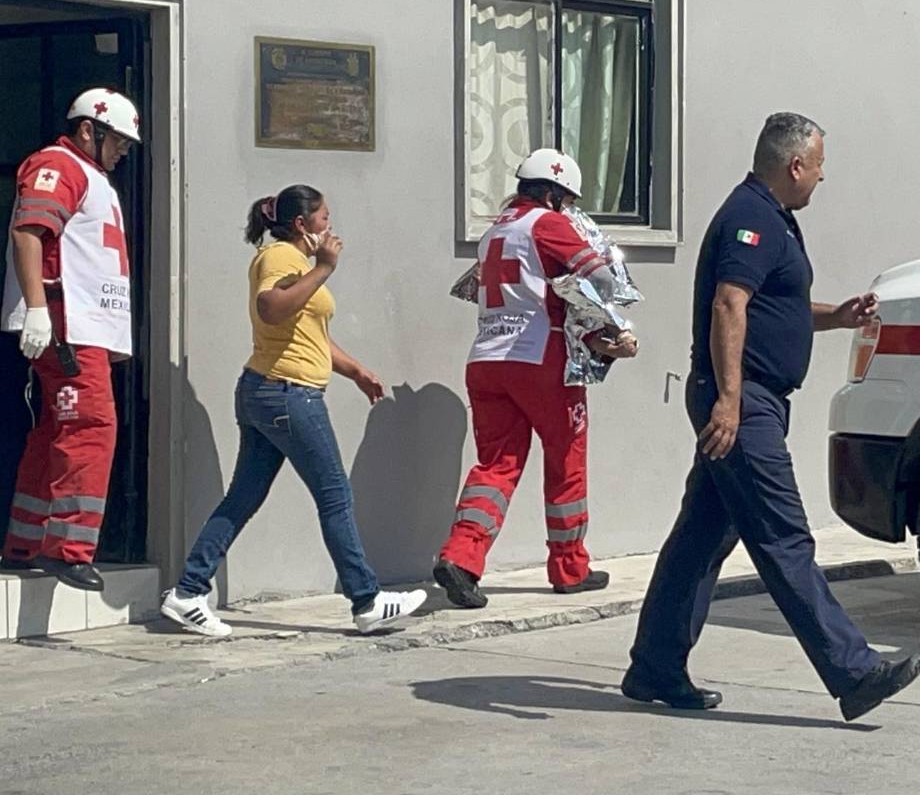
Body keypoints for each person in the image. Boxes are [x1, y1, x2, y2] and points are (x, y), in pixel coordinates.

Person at [622, 113, 920, 722]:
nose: (819, 178)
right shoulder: (751, 217)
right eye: (817, 167)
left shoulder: (771, 218)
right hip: (743, 404)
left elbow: (768, 305)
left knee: (701, 537)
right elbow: (729, 304)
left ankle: (654, 666)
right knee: (784, 538)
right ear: (794, 165)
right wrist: (730, 401)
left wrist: (836, 317)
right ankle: (854, 671)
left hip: (749, 400)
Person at [159, 185, 426, 637]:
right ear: (302, 225)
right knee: (335, 494)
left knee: (244, 496)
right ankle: (366, 600)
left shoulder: (295, 263)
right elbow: (271, 309)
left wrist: (355, 370)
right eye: (324, 218)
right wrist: (324, 268)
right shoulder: (282, 257)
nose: (331, 226)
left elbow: (309, 335)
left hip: (269, 390)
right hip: (288, 394)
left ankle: (188, 591)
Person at [434, 149, 638, 609]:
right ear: (551, 192)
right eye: (565, 199)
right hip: (540, 360)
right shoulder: (549, 225)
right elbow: (600, 281)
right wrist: (608, 330)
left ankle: (461, 558)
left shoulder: (495, 232)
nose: (567, 209)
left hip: (486, 359)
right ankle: (570, 568)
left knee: (496, 466)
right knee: (567, 459)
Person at [0, 88, 142, 591]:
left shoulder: (89, 175)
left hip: (81, 327)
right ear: (89, 130)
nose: (123, 151)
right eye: (118, 141)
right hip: (68, 326)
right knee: (90, 427)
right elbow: (28, 232)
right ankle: (68, 548)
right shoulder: (60, 166)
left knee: (57, 432)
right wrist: (38, 309)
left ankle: (25, 540)